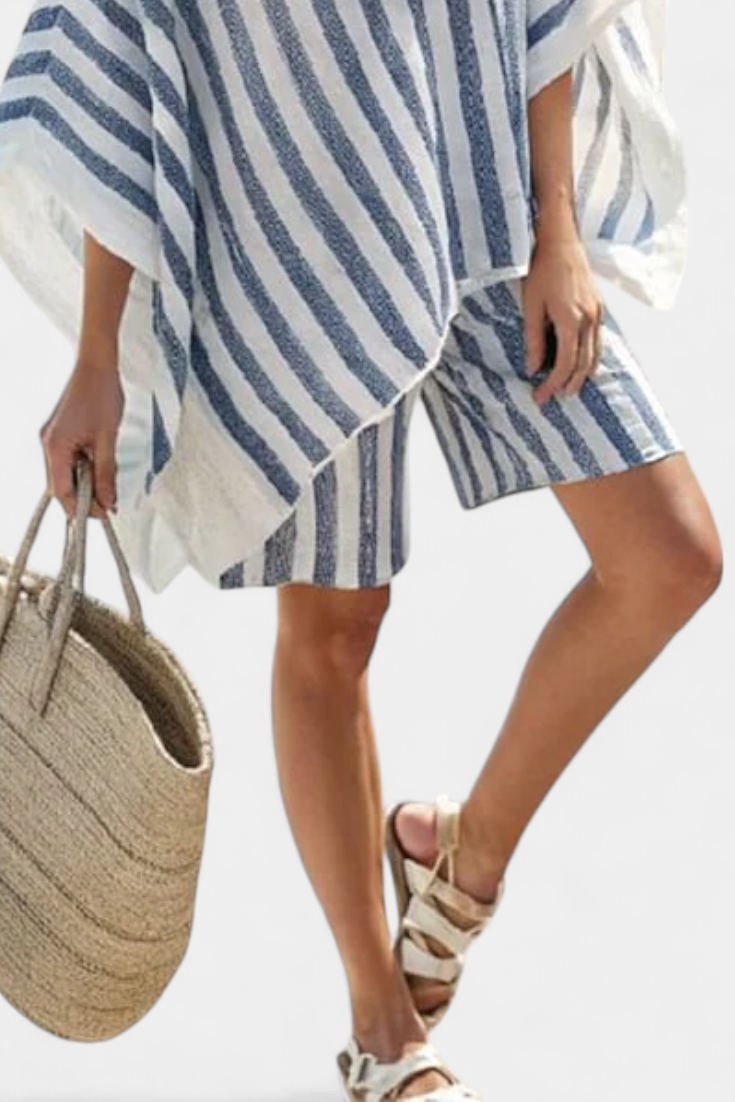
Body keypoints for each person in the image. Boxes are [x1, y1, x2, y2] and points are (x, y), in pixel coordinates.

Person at [0, 2, 722, 1099]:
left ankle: (463, 857)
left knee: (670, 556)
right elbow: (127, 43)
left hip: (481, 200)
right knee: (334, 632)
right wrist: (98, 352)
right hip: (285, 257)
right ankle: (382, 1034)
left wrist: (559, 226)